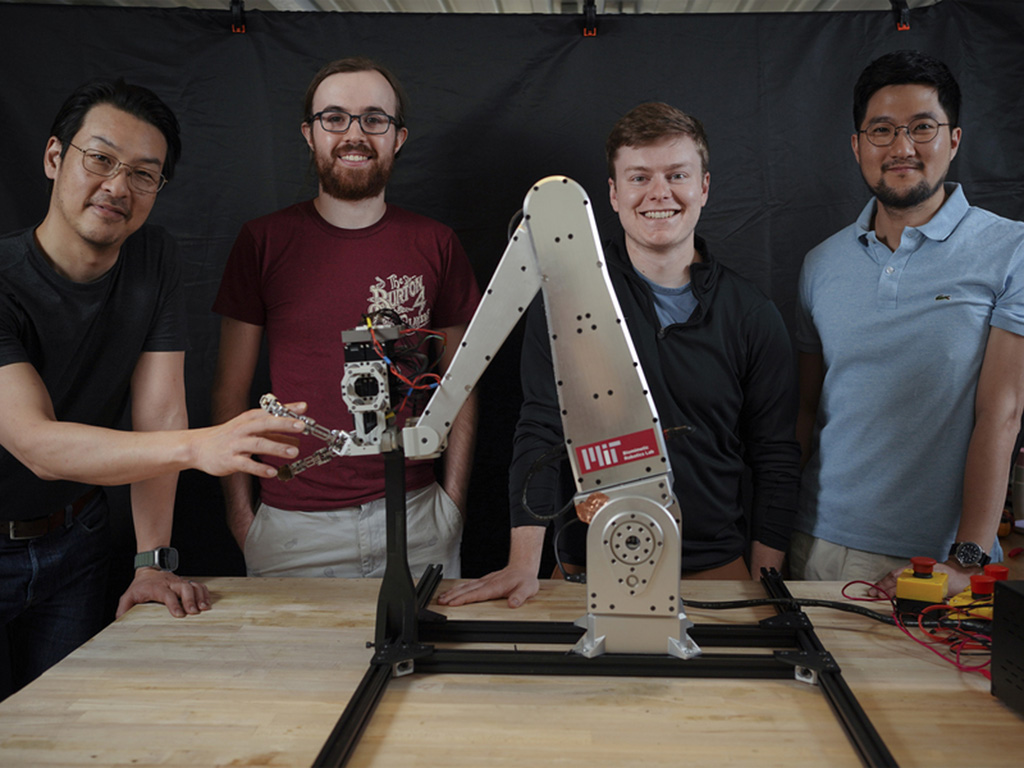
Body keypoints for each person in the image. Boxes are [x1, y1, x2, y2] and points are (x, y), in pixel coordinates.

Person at [0, 79, 307, 698]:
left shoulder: (152, 257)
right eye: (101, 159)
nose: (118, 186)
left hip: (77, 540)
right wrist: (203, 446)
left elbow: (162, 412)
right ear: (56, 158)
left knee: (68, 725)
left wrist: (150, 561)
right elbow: (35, 441)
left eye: (144, 174)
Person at [440, 102, 800, 608]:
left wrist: (766, 586)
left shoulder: (752, 315)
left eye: (678, 174)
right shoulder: (568, 298)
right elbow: (541, 426)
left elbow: (776, 455)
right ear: (612, 193)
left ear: (704, 187)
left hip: (716, 570)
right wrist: (523, 563)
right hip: (589, 567)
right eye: (639, 177)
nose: (660, 193)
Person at [212, 57, 480, 580]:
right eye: (334, 118)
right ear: (309, 134)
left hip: (419, 516)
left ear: (397, 137)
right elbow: (229, 390)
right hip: (293, 528)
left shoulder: (437, 244)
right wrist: (243, 517)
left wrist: (452, 505)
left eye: (373, 119)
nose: (354, 134)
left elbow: (460, 383)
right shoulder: (262, 242)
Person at [790, 50, 1024, 597]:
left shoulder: (1010, 249)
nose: (902, 147)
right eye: (882, 131)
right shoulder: (820, 264)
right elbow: (804, 411)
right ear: (857, 146)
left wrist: (965, 559)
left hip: (941, 560)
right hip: (819, 546)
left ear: (954, 140)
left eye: (922, 127)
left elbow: (1004, 413)